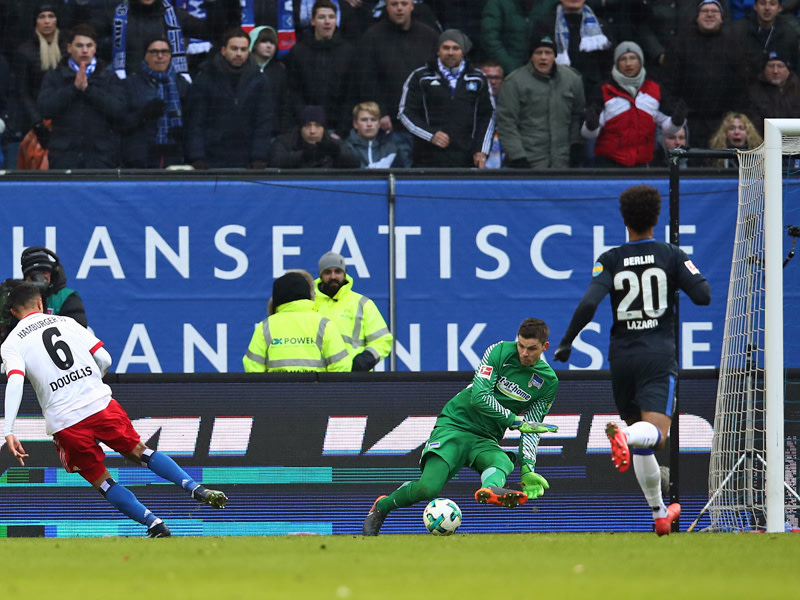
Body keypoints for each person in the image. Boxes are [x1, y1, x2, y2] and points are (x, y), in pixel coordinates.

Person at [1, 282, 228, 538]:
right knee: (141, 452)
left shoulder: (12, 343)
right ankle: (194, 487)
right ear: (41, 303)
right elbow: (105, 359)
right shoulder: (67, 323)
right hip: (100, 404)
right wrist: (91, 383)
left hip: (66, 422)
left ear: (12, 312)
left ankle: (154, 524)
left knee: (103, 481)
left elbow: (16, 380)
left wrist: (9, 429)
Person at [553, 184, 711, 536]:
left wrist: (566, 342)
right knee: (653, 437)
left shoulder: (610, 259)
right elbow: (703, 296)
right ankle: (624, 435)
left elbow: (590, 303)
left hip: (622, 358)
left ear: (624, 219)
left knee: (642, 446)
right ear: (656, 217)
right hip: (657, 356)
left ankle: (658, 513)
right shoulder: (670, 254)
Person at [362, 317, 559, 536]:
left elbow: (531, 429)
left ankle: (491, 489)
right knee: (428, 489)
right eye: (521, 345)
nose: (524, 353)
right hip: (455, 424)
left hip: (485, 439)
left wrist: (528, 468)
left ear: (545, 347)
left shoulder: (548, 382)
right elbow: (479, 396)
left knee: (502, 459)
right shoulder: (500, 351)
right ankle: (382, 506)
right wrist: (514, 421)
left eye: (531, 349)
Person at [354, 0, 440, 159]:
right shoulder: (372, 37)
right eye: (394, 4)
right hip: (391, 125)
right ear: (386, 6)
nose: (399, 8)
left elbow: (438, 76)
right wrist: (381, 112)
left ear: (412, 6)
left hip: (425, 123)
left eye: (404, 3)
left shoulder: (429, 36)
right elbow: (366, 79)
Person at [398, 28, 495, 168]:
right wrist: (430, 135)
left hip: (466, 159)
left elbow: (488, 115)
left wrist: (481, 150)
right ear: (438, 50)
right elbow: (405, 113)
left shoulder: (478, 78)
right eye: (446, 48)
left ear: (463, 51)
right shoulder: (421, 77)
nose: (450, 52)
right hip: (427, 159)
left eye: (456, 48)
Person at [581, 41, 687, 168]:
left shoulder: (655, 90)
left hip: (641, 164)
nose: (628, 64)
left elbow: (666, 126)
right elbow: (589, 132)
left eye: (633, 58)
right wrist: (591, 125)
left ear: (640, 61)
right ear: (616, 63)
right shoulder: (604, 90)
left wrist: (677, 122)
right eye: (623, 59)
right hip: (609, 164)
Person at [37, 23, 127, 169]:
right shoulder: (55, 76)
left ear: (95, 48)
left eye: (89, 45)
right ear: (69, 48)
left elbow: (119, 110)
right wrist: (73, 89)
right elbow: (44, 108)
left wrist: (88, 90)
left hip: (101, 156)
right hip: (64, 155)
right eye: (79, 46)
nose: (84, 50)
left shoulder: (109, 77)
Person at [660, 0, 747, 148]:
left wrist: (732, 117)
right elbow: (668, 84)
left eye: (714, 12)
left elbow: (740, 86)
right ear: (697, 16)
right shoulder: (679, 44)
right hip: (688, 121)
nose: (709, 15)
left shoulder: (733, 46)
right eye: (705, 11)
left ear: (721, 17)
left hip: (721, 121)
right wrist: (678, 114)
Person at [185, 28, 273, 170]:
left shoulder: (259, 80)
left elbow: (263, 122)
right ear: (224, 50)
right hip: (211, 156)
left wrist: (259, 156)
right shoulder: (206, 78)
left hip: (247, 158)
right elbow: (196, 121)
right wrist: (197, 156)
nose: (239, 54)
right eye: (234, 49)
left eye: (243, 49)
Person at [495, 34, 585, 168]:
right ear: (531, 55)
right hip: (529, 161)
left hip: (563, 162)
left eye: (548, 52)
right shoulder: (514, 82)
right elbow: (506, 123)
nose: (543, 57)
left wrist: (575, 146)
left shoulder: (572, 79)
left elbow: (577, 116)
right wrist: (518, 156)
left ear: (555, 55)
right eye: (538, 52)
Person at [243, 270, 352, 372]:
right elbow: (341, 366)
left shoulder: (266, 326)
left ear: (277, 297)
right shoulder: (324, 324)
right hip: (316, 391)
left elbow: (252, 367)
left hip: (277, 391)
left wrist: (269, 390)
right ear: (307, 293)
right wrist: (325, 390)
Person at [102, 0, 241, 79]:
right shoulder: (115, 16)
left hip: (171, 89)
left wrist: (213, 3)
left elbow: (212, 32)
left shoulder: (175, 15)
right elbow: (87, 36)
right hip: (127, 90)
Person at [285, 0, 356, 136]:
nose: (327, 22)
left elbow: (351, 94)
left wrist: (341, 131)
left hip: (338, 129)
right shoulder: (298, 52)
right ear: (312, 21)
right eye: (322, 17)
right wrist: (306, 124)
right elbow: (293, 93)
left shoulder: (348, 52)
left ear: (337, 20)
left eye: (331, 17)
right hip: (307, 129)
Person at [314, 251, 393, 371]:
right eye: (327, 272)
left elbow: (383, 340)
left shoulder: (362, 303)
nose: (333, 276)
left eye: (338, 271)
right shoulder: (310, 303)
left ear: (345, 274)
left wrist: (364, 361)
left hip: (354, 377)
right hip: (318, 376)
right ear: (320, 275)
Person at [122, 36, 189, 168]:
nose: (160, 56)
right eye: (154, 52)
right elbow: (121, 122)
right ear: (145, 56)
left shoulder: (182, 84)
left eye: (165, 52)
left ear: (170, 56)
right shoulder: (131, 84)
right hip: (140, 156)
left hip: (175, 154)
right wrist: (143, 115)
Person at [12, 3, 67, 148]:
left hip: (65, 119)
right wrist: (38, 123)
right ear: (35, 21)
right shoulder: (24, 52)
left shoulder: (68, 48)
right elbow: (23, 93)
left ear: (57, 20)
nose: (47, 21)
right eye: (42, 17)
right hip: (35, 122)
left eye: (51, 16)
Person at [481, 0, 559, 75]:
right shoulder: (497, 3)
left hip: (541, 71)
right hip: (508, 72)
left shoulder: (550, 3)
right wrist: (511, 67)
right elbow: (490, 39)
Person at [269, 104, 360, 168]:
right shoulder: (285, 142)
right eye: (308, 125)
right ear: (301, 128)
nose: (312, 131)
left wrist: (337, 153)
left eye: (317, 125)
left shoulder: (333, 142)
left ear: (324, 128)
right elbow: (276, 161)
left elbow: (355, 163)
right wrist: (304, 155)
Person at [731, 0, 800, 82]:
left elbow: (793, 71)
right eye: (763, 3)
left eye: (772, 4)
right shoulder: (738, 31)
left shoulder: (789, 34)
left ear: (779, 8)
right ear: (755, 7)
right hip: (747, 86)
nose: (767, 8)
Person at [20, 246, 87, 327]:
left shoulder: (66, 297)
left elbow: (78, 329)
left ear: (52, 273)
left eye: (45, 272)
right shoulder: (18, 298)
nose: (41, 278)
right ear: (26, 278)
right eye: (35, 275)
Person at [249, 24, 290, 137]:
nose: (269, 46)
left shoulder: (280, 71)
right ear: (253, 43)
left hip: (272, 130)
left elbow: (284, 103)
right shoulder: (243, 69)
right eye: (264, 42)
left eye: (272, 43)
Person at [747, 50, 800, 135]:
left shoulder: (797, 91)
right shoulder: (754, 92)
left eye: (780, 66)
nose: (775, 71)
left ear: (788, 70)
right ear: (764, 69)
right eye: (771, 66)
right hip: (764, 142)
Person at [344, 101, 411, 168]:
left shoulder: (391, 148)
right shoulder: (347, 148)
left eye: (373, 120)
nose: (369, 124)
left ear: (379, 124)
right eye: (364, 120)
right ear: (355, 124)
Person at [480, 58, 505, 168]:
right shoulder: (472, 102)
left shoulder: (510, 102)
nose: (493, 82)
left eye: (496, 78)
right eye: (488, 78)